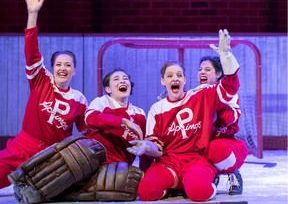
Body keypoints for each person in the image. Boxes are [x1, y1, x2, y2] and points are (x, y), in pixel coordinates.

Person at [127, 29, 241, 202]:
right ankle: (178, 185)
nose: (175, 79)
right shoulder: (156, 109)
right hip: (169, 162)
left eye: (179, 75)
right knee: (146, 192)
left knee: (199, 194)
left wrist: (225, 55)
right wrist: (147, 147)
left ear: (185, 80)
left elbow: (230, 87)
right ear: (163, 81)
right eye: (170, 76)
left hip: (196, 159)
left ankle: (205, 180)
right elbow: (157, 147)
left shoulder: (201, 95)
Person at [0, 0, 88, 189]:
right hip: (22, 147)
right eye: (58, 64)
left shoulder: (80, 100)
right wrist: (32, 14)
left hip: (51, 160)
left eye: (68, 65)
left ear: (74, 70)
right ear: (52, 68)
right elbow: (31, 50)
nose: (63, 68)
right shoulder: (41, 80)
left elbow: (88, 133)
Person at [198, 56, 248, 195]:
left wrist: (215, 102)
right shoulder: (194, 94)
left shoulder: (230, 95)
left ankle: (233, 172)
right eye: (200, 69)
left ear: (219, 74)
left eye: (208, 69)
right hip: (201, 146)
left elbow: (229, 119)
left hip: (225, 144)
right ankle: (209, 176)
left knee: (215, 148)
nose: (202, 72)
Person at [84, 68, 151, 171]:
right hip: (98, 166)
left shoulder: (139, 113)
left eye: (125, 78)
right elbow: (90, 119)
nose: (122, 81)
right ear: (108, 89)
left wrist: (144, 173)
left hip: (121, 171)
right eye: (116, 79)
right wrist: (123, 121)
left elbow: (145, 149)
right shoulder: (102, 102)